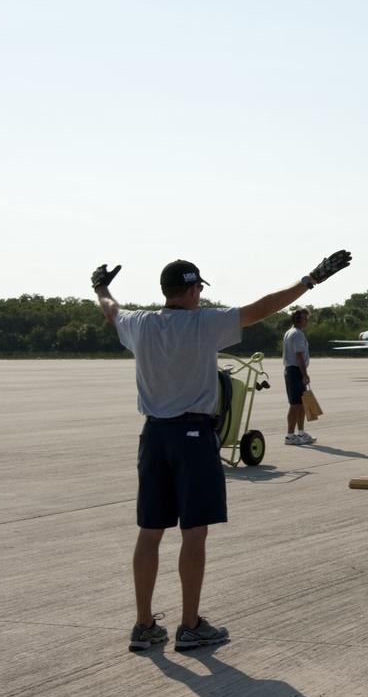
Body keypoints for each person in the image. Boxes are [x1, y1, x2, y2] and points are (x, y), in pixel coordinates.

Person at [93, 250, 352, 652]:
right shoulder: (204, 322)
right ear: (194, 290)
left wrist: (100, 286)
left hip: (154, 436)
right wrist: (310, 281)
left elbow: (111, 310)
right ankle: (190, 624)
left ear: (166, 291)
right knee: (193, 533)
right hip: (193, 437)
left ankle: (144, 625)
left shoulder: (138, 324)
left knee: (150, 531)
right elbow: (261, 308)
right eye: (198, 288)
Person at [283, 309, 315, 445]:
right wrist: (304, 374)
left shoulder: (292, 332)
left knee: (302, 403)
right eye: (305, 318)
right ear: (298, 319)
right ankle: (290, 435)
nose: (307, 320)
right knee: (295, 404)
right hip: (295, 371)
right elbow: (299, 356)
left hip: (294, 371)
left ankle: (301, 433)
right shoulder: (297, 334)